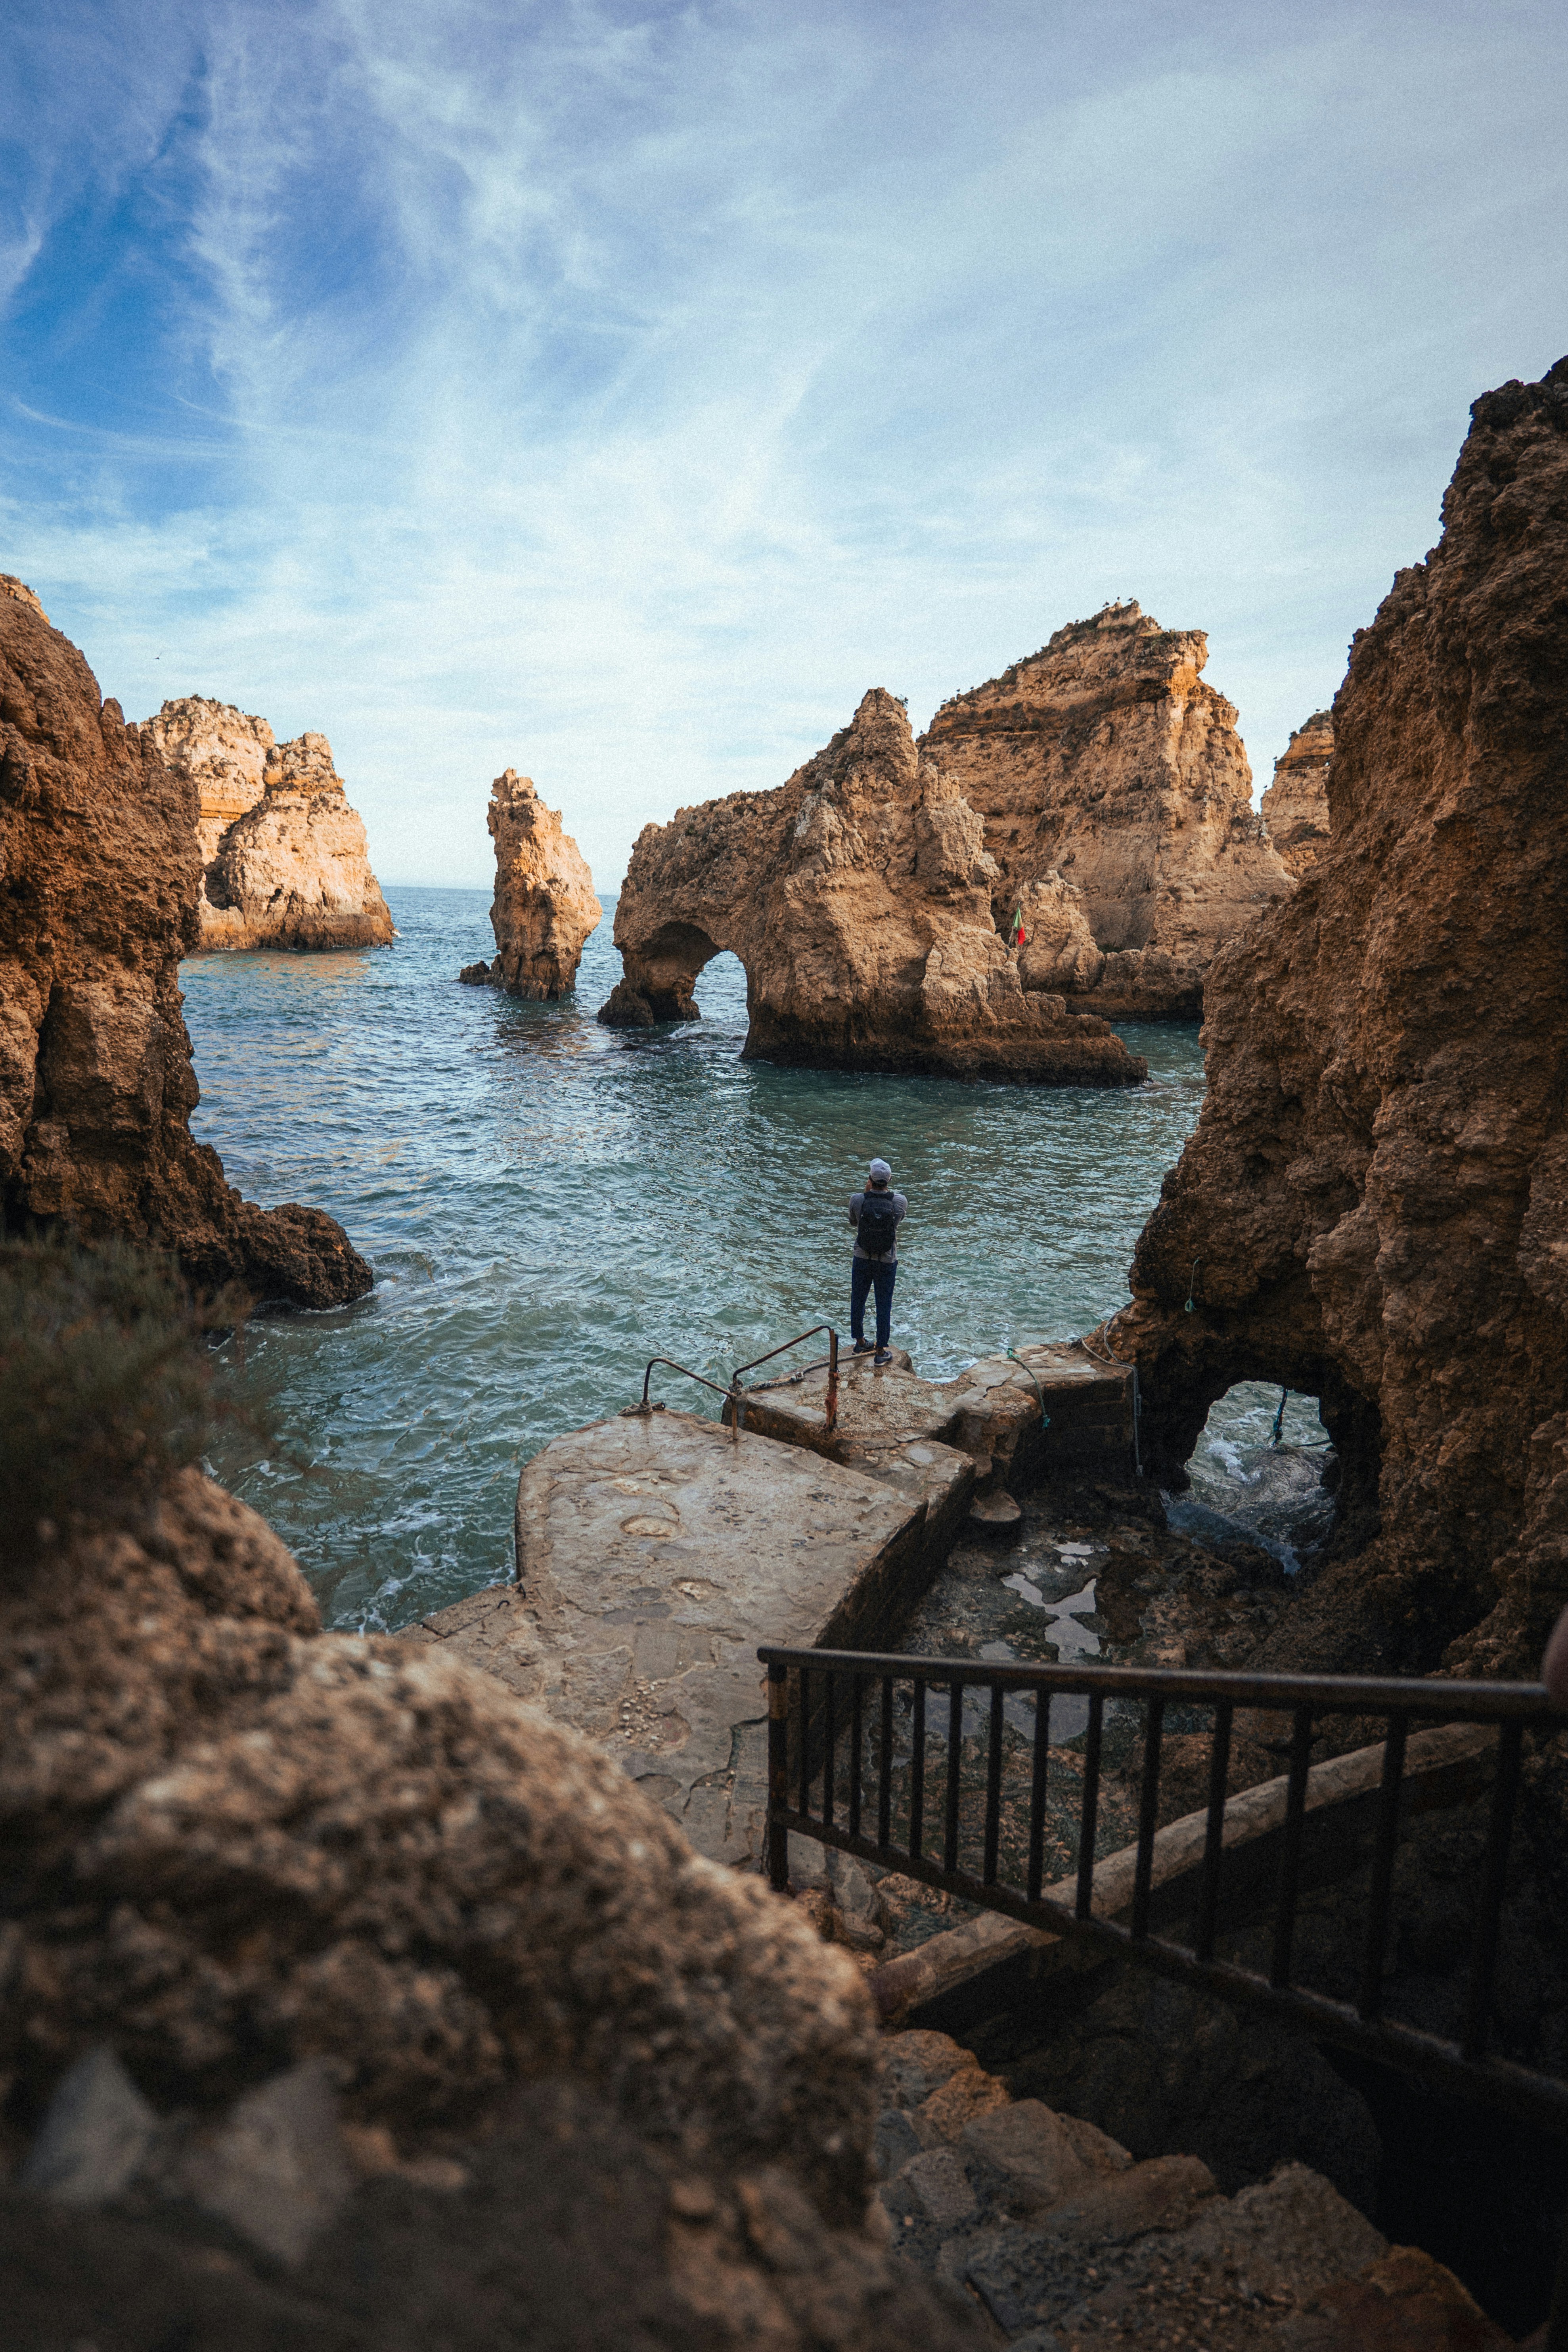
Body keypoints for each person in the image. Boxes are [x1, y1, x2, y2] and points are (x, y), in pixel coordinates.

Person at [847, 1157, 907, 1364]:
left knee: (859, 1299)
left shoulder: (858, 1199)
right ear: (890, 1180)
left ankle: (860, 1341)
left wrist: (866, 1194)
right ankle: (881, 1351)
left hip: (862, 1257)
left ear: (870, 1179)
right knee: (884, 1304)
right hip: (887, 1259)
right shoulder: (899, 1201)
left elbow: (854, 1222)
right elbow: (896, 1224)